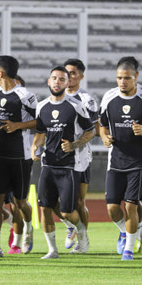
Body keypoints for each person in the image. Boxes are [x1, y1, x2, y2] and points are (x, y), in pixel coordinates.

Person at [30, 66, 95, 259]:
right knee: (45, 208)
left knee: (67, 212)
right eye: (54, 78)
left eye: (61, 79)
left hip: (69, 166)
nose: (57, 82)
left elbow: (90, 131)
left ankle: (81, 232)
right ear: (48, 82)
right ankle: (52, 250)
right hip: (48, 165)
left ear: (67, 83)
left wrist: (74, 144)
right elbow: (40, 133)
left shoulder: (75, 106)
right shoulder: (42, 107)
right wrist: (35, 147)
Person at [99, 56, 142, 261]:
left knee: (131, 204)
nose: (122, 82)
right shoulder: (109, 98)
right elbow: (101, 123)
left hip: (139, 161)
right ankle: (126, 231)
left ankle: (129, 250)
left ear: (136, 76)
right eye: (119, 78)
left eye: (127, 78)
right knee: (112, 207)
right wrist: (104, 136)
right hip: (115, 160)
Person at [0, 55, 37, 257]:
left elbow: (41, 122)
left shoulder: (24, 95)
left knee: (20, 203)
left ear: (1, 72)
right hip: (0, 157)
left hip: (20, 158)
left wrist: (18, 126)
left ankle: (29, 228)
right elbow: (1, 120)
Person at [58, 58, 99, 253]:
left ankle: (83, 240)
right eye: (66, 73)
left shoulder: (87, 100)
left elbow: (91, 130)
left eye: (73, 73)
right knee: (55, 200)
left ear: (81, 76)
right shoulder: (55, 97)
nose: (69, 76)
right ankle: (69, 227)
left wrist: (75, 144)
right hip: (57, 158)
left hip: (80, 158)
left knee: (80, 201)